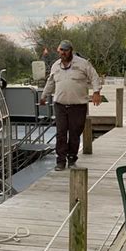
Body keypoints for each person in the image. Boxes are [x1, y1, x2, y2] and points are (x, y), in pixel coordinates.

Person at [40, 40, 102, 171]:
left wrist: (96, 92)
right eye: (61, 50)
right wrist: (44, 96)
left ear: (71, 51)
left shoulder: (83, 63)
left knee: (75, 133)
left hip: (78, 105)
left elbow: (94, 77)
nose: (63, 53)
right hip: (60, 105)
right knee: (61, 133)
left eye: (66, 50)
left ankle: (72, 158)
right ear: (58, 51)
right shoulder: (55, 65)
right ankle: (60, 161)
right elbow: (50, 82)